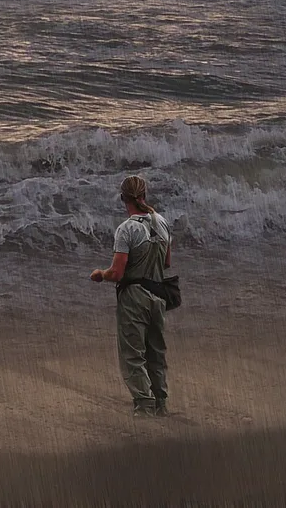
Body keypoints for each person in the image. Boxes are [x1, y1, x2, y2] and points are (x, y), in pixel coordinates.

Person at [91, 175, 172, 416]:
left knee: (132, 353)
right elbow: (167, 263)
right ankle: (161, 402)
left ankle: (143, 403)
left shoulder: (126, 229)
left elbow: (117, 273)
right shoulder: (162, 223)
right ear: (144, 195)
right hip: (158, 295)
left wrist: (99, 274)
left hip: (134, 297)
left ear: (122, 198)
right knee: (156, 351)